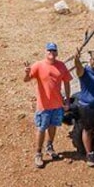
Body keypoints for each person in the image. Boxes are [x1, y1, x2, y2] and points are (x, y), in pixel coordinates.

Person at [24, 41, 72, 169]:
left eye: (53, 50)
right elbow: (26, 79)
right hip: (43, 106)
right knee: (41, 128)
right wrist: (26, 72)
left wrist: (67, 100)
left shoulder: (61, 66)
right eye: (49, 50)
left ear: (57, 52)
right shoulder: (38, 65)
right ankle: (38, 153)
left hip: (57, 105)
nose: (51, 53)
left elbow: (67, 82)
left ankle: (49, 146)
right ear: (45, 52)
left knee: (53, 126)